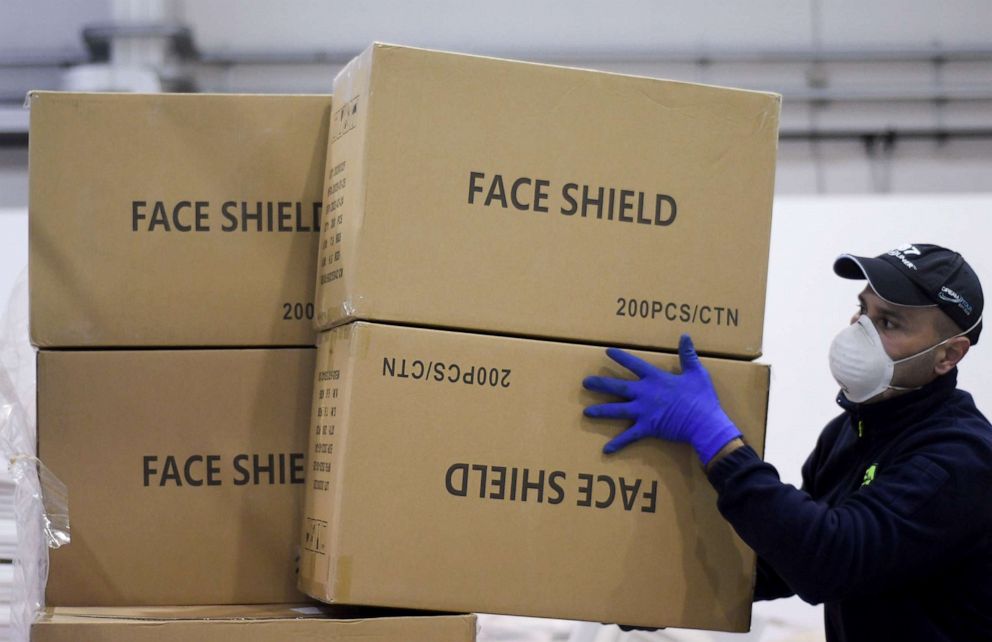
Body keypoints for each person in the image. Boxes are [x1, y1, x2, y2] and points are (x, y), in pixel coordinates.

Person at [582, 244, 991, 642]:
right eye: (863, 309)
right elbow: (786, 559)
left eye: (888, 323)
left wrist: (715, 438)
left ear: (948, 356)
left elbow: (830, 561)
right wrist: (665, 597)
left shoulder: (959, 459)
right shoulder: (850, 432)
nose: (859, 330)